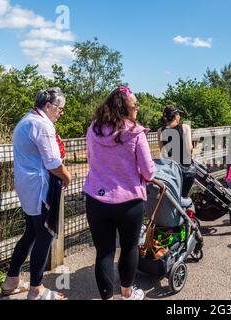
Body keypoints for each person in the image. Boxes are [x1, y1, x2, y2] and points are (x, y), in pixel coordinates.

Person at [84, 86, 155, 300]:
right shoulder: (135, 133)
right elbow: (148, 171)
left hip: (96, 199)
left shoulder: (93, 129)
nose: (138, 108)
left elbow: (90, 158)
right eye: (135, 105)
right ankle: (126, 294)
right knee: (129, 247)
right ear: (125, 108)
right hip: (129, 201)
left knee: (104, 252)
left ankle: (106, 297)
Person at [1, 88, 71, 300]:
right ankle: (36, 290)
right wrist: (67, 177)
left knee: (31, 233)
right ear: (48, 106)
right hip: (40, 189)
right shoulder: (41, 125)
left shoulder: (27, 119)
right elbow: (53, 163)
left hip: (28, 187)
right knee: (45, 236)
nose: (61, 113)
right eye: (60, 109)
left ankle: (11, 280)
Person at [158, 106, 195, 205]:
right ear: (175, 116)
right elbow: (189, 148)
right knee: (183, 196)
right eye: (179, 114)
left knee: (174, 198)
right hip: (186, 170)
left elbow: (162, 152)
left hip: (172, 170)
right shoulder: (185, 127)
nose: (179, 116)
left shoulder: (160, 131)